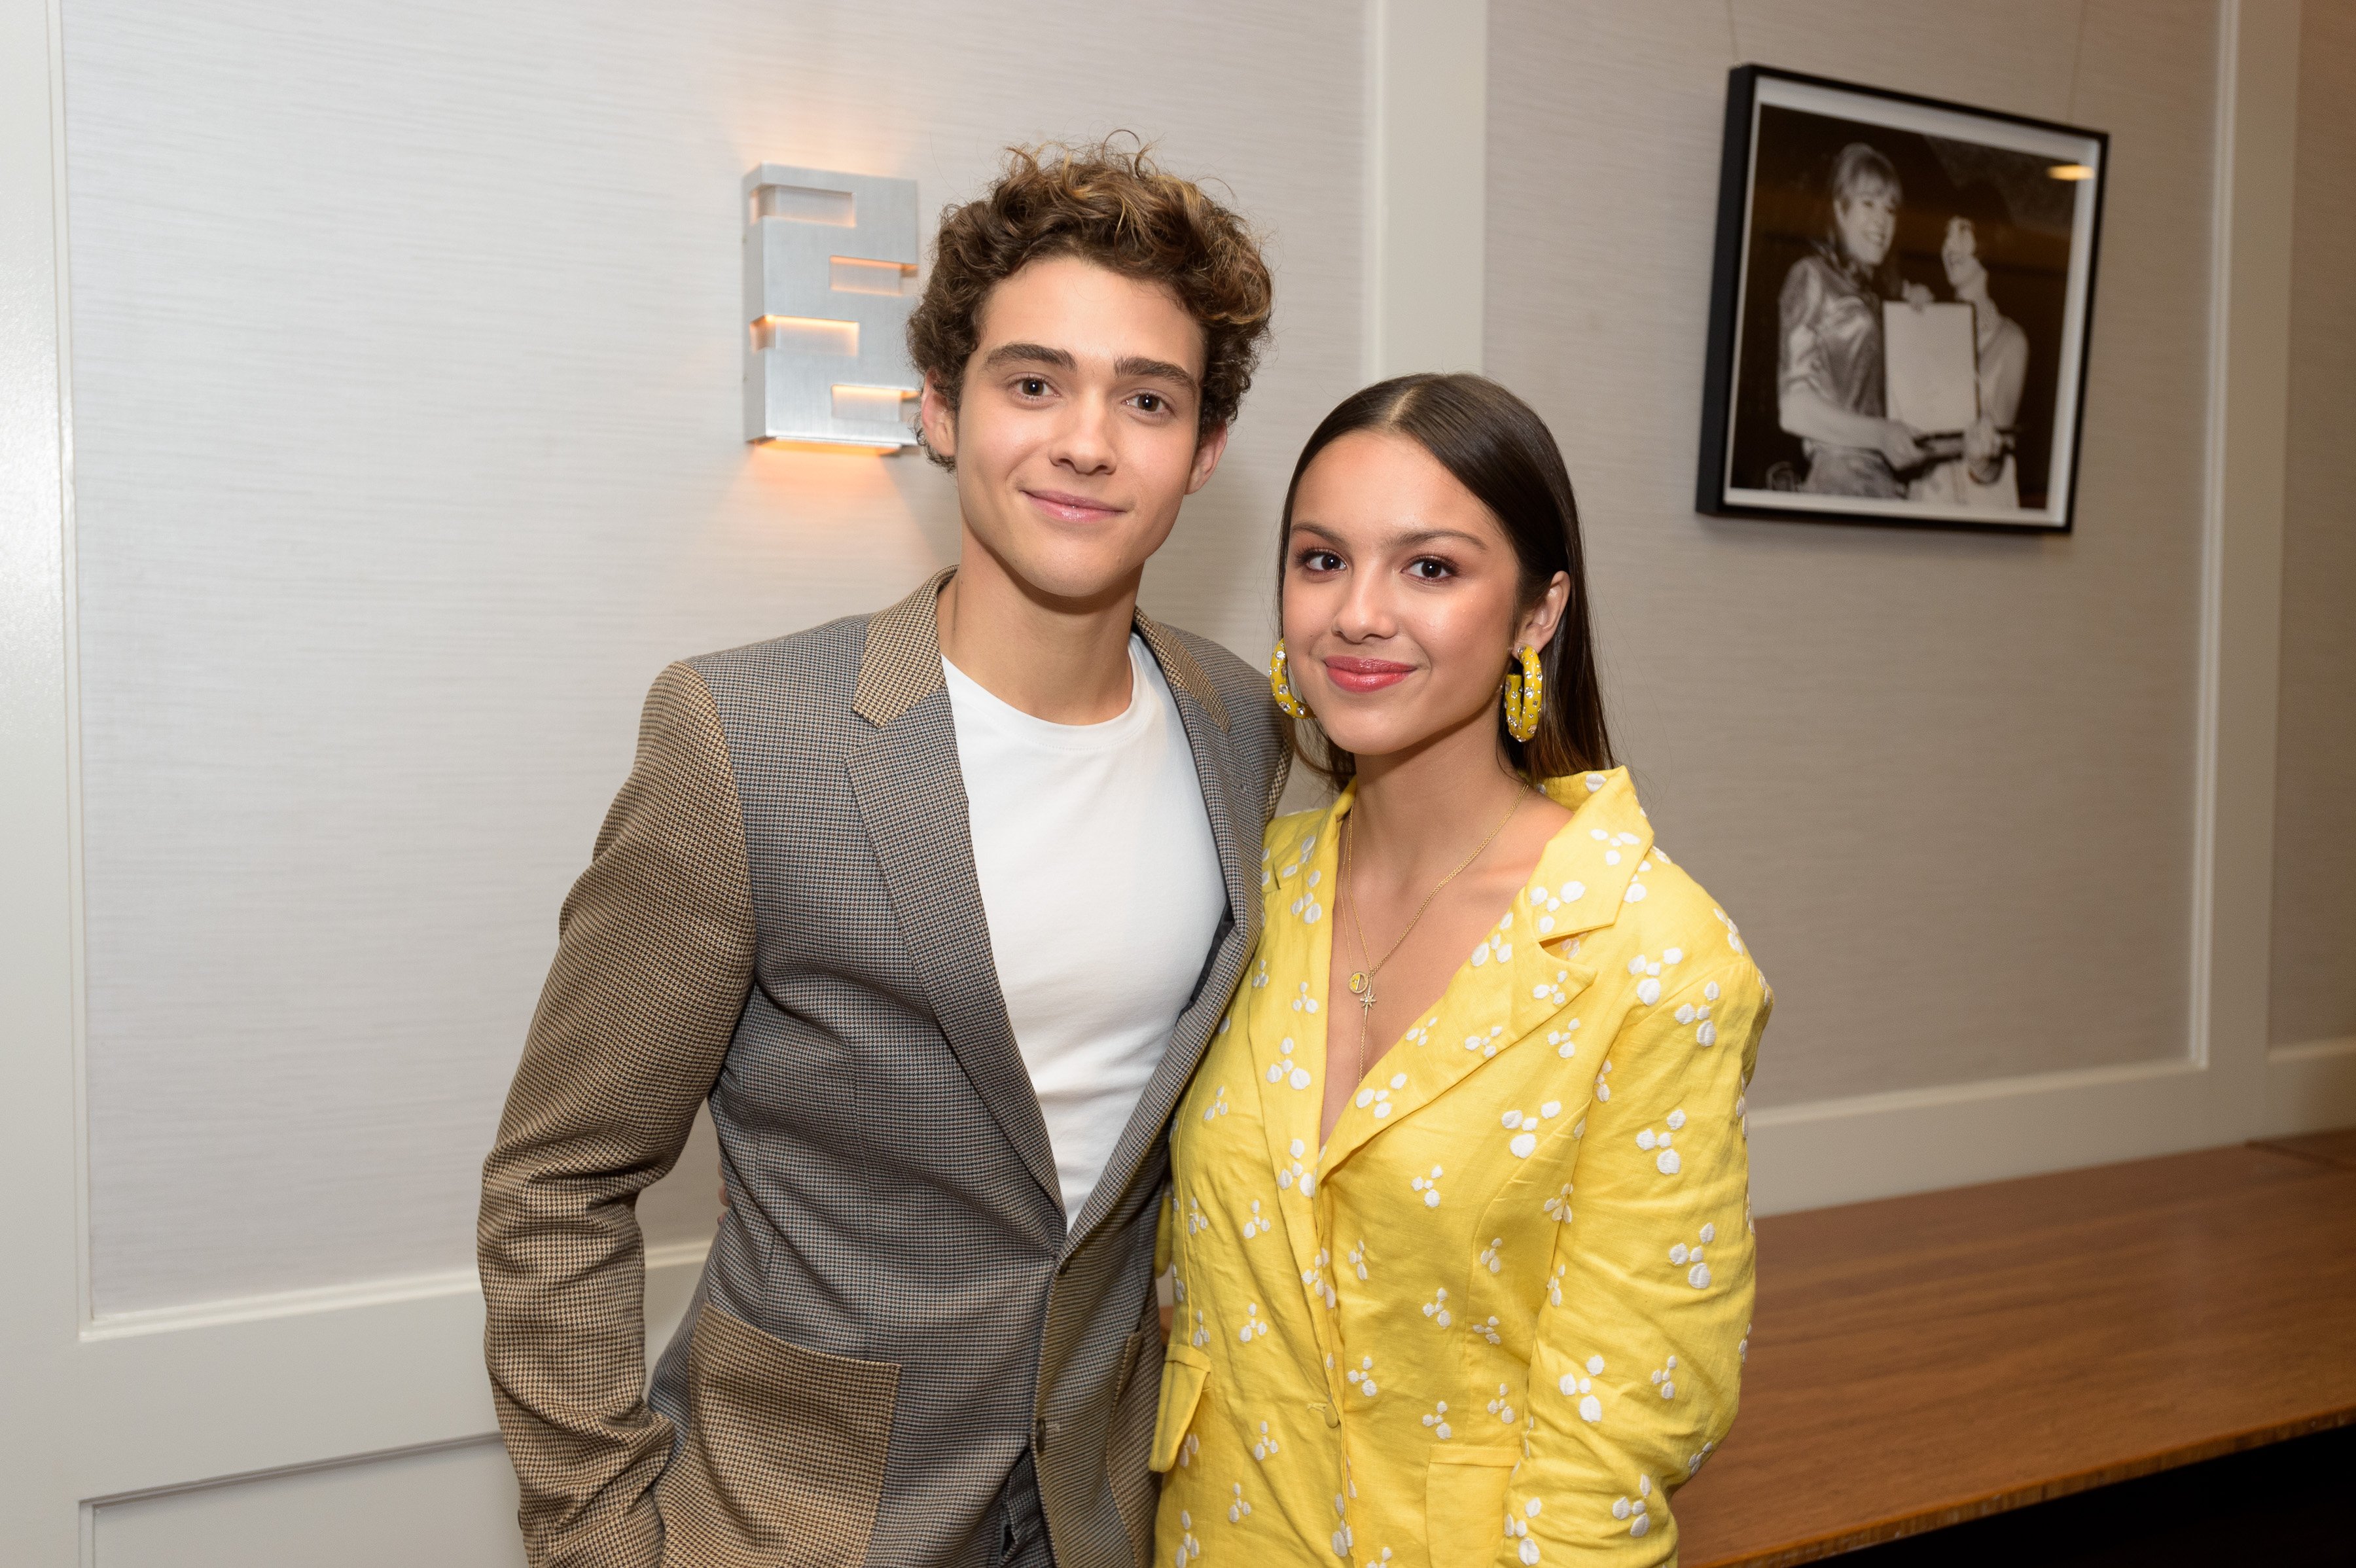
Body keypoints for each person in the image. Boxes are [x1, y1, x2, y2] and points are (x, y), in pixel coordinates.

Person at [478, 139, 1288, 1568]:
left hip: (1111, 1521)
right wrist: (606, 1541)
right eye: (1032, 383)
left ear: (1203, 451)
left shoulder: (1241, 725)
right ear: (936, 408)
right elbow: (558, 1181)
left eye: (1146, 400)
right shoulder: (744, 735)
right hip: (794, 1527)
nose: (1086, 440)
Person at [1151, 375, 1771, 1567]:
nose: (1358, 615)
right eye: (1321, 561)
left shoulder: (1651, 955)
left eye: (1430, 568)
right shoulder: (1242, 888)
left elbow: (1623, 1418)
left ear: (1539, 614)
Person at [1775, 141, 1927, 497]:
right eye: (1868, 204)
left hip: (1885, 485)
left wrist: (1919, 318)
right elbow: (1793, 409)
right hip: (1839, 483)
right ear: (1840, 211)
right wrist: (1881, 434)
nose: (1882, 221)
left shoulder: (1875, 297)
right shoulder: (1810, 276)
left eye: (1890, 210)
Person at [1908, 199, 2030, 509]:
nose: (1949, 246)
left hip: (1980, 503)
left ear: (1988, 239)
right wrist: (1908, 320)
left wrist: (1980, 461)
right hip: (1927, 498)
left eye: (1962, 232)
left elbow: (1994, 452)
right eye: (1945, 235)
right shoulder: (1929, 321)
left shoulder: (2011, 341)